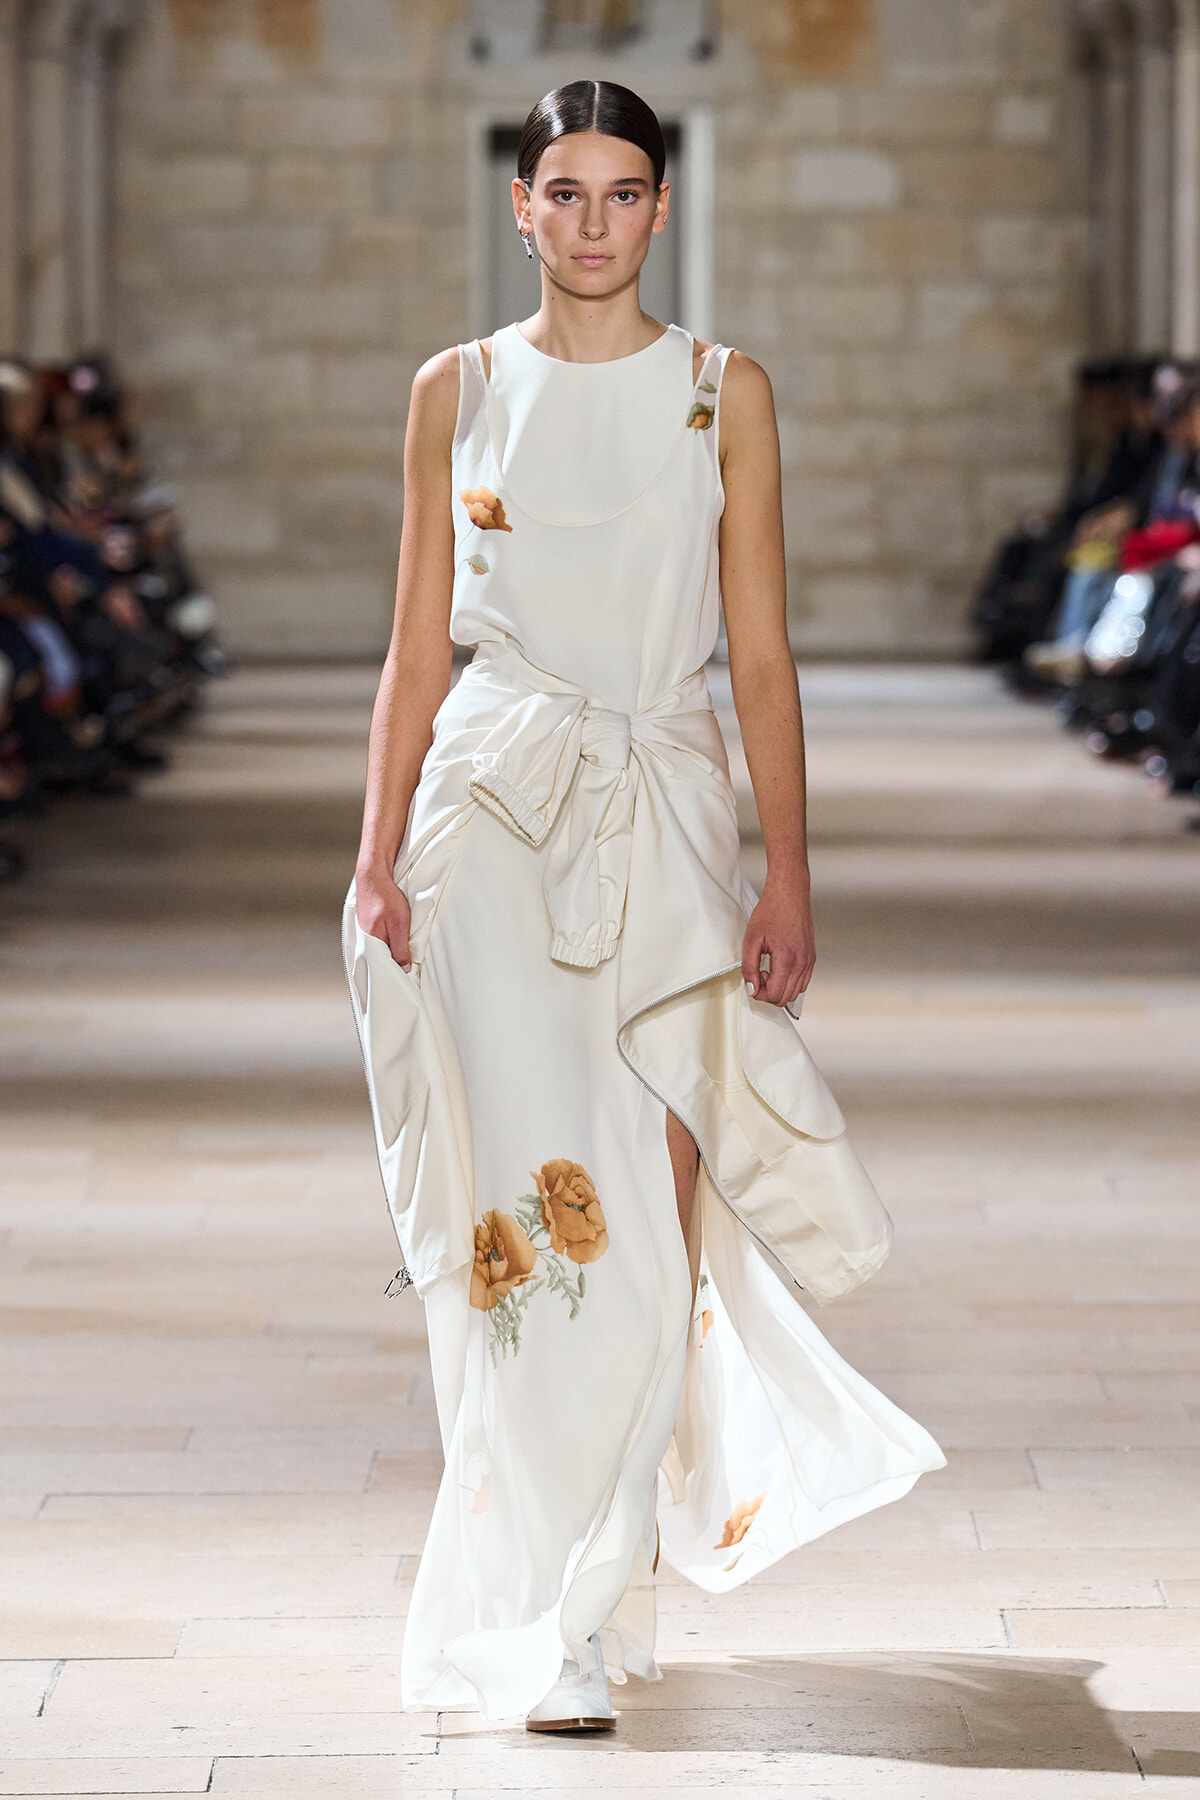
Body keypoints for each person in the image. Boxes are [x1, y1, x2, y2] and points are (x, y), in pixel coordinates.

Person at [345, 79, 944, 1733]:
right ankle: (555, 1614)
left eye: (624, 193)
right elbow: (415, 645)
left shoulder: (720, 392)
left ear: (663, 208)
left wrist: (788, 867)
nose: (594, 221)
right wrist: (378, 851)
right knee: (523, 1220)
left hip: (663, 820)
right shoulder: (455, 389)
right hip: (488, 823)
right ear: (520, 205)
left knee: (645, 1220)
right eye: (566, 191)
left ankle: (602, 1577)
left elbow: (760, 650)